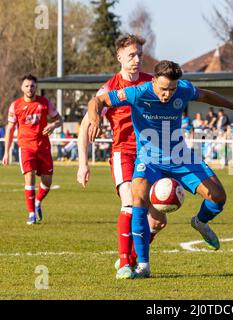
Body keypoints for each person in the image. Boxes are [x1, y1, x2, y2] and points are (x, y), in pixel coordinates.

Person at [88, 60, 233, 279]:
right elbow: (98, 100)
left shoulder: (183, 89)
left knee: (218, 197)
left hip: (180, 157)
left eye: (172, 90)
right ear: (154, 80)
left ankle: (200, 222)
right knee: (137, 200)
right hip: (149, 161)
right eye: (164, 89)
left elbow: (205, 95)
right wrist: (94, 118)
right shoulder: (137, 92)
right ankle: (143, 266)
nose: (168, 94)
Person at [77, 34, 167, 280]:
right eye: (131, 55)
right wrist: (83, 164)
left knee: (158, 220)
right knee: (129, 203)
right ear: (119, 57)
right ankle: (126, 264)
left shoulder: (153, 83)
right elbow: (85, 125)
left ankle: (132, 256)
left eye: (139, 54)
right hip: (124, 154)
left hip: (152, 157)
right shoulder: (110, 88)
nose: (137, 59)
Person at [2, 74, 63, 224]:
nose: (30, 88)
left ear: (36, 87)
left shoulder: (44, 103)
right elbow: (10, 130)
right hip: (26, 148)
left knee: (47, 182)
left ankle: (37, 202)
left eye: (32, 86)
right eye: (27, 86)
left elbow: (59, 119)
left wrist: (53, 125)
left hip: (43, 147)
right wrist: (6, 152)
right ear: (22, 88)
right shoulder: (15, 106)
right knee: (29, 179)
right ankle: (31, 214)